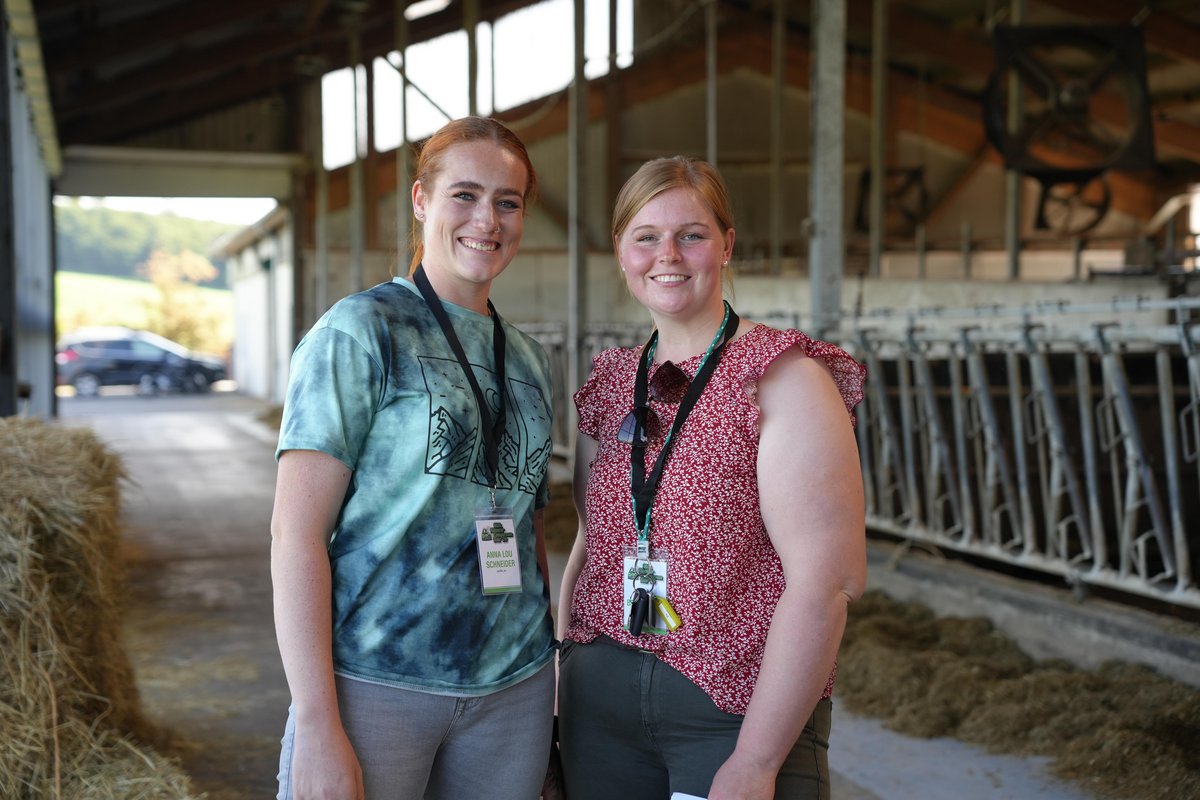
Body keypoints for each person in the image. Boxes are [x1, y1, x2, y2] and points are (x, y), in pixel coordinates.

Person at [556, 156, 867, 800]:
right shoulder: (612, 382)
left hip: (730, 713)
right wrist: (560, 700)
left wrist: (755, 762)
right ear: (621, 251)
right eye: (646, 236)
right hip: (600, 712)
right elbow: (592, 549)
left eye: (691, 234)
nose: (667, 253)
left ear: (726, 245)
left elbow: (828, 579)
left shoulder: (782, 377)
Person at [270, 116, 559, 800]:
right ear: (422, 199)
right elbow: (296, 534)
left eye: (508, 201)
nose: (486, 219)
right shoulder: (361, 332)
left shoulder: (528, 359)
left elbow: (527, 528)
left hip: (511, 689)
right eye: (465, 194)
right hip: (378, 681)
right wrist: (315, 720)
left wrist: (548, 686)